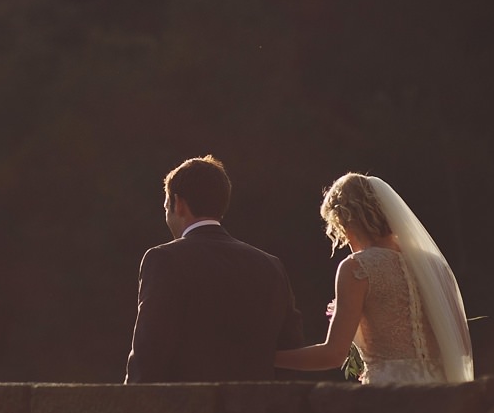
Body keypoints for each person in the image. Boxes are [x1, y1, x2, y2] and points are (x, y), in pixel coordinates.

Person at [274, 173, 474, 384]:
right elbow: (460, 344)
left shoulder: (357, 268)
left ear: (345, 222)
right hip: (441, 391)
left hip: (389, 390)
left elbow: (333, 355)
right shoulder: (435, 266)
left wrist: (271, 358)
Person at [125, 155, 304, 382]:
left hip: (185, 410)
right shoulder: (270, 265)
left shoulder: (163, 259)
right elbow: (291, 352)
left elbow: (149, 352)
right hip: (256, 412)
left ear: (178, 204)